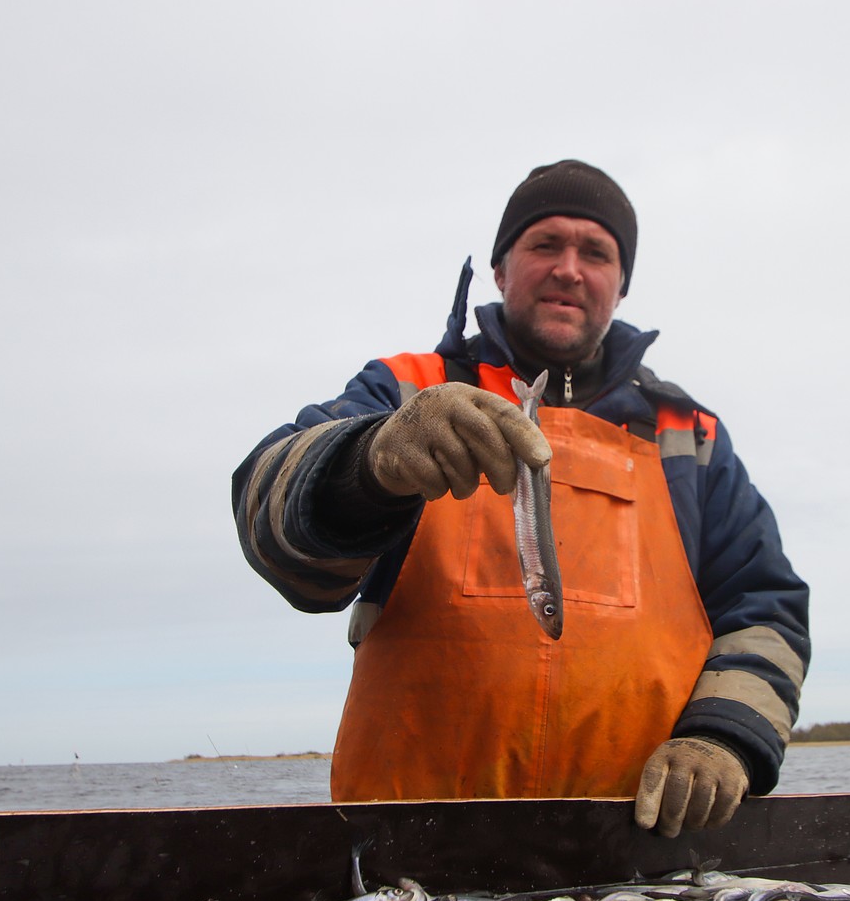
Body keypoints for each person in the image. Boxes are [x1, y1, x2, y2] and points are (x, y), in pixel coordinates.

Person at [232, 160, 809, 837]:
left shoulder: (691, 436)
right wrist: (367, 462)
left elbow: (765, 610)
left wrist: (727, 736)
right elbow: (266, 519)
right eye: (545, 245)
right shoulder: (406, 388)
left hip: (637, 853)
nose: (569, 268)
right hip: (405, 849)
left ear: (620, 288)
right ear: (502, 270)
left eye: (596, 253)